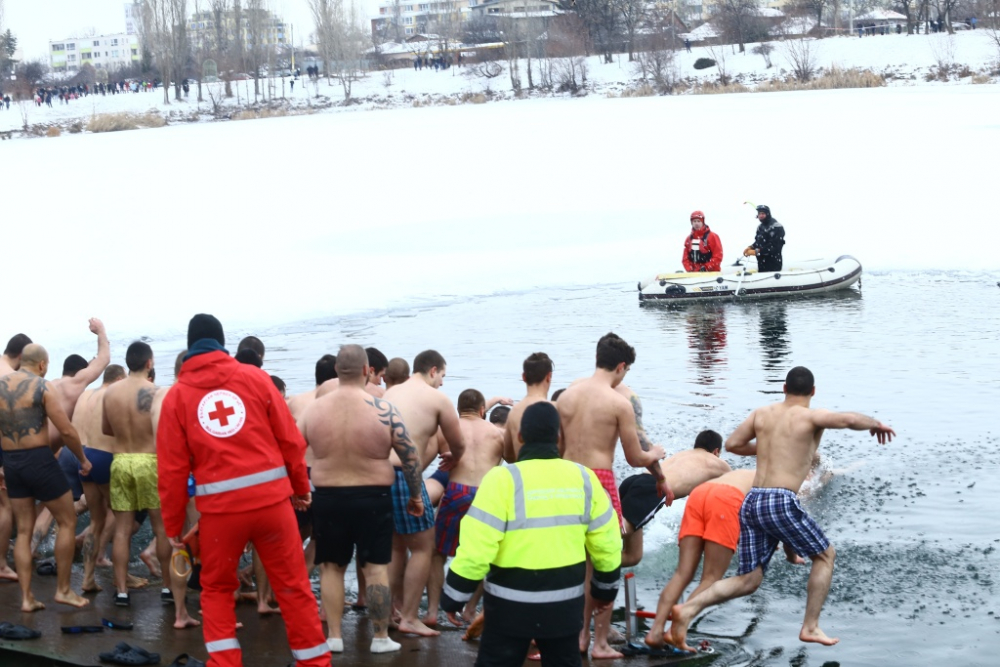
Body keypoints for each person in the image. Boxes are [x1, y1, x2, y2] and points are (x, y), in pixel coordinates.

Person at [669, 366, 895, 651]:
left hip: (752, 500)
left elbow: (733, 444)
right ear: (813, 392)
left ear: (784, 388)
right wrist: (875, 423)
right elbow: (848, 419)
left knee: (749, 579)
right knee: (826, 556)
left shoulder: (761, 414)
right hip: (779, 499)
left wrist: (769, 446)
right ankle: (810, 626)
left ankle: (687, 609)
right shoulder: (812, 415)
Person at [157, 314, 329, 667]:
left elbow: (172, 471)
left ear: (190, 349)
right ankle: (315, 662)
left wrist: (174, 527)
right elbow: (290, 439)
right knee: (294, 588)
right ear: (222, 343)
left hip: (221, 516)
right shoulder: (255, 378)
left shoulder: (177, 397)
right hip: (273, 506)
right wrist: (300, 488)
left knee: (217, 589)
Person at [441, 402, 622, 667]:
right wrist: (605, 589)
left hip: (508, 608)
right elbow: (607, 542)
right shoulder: (584, 479)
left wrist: (455, 595)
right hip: (564, 606)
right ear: (558, 437)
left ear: (520, 437)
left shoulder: (502, 480)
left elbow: (477, 547)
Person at [302, 344, 424, 654]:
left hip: (328, 498)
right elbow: (410, 457)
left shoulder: (313, 411)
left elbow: (289, 452)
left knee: (331, 567)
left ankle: (334, 636)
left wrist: (297, 490)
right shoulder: (384, 409)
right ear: (368, 371)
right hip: (373, 499)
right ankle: (380, 638)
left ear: (336, 372)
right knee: (375, 568)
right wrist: (415, 495)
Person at [557, 333, 669, 659]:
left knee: (572, 560)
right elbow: (635, 457)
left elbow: (559, 447)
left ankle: (576, 633)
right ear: (621, 367)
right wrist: (656, 454)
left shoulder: (565, 397)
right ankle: (597, 642)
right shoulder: (619, 403)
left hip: (566, 478)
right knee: (604, 563)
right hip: (599, 481)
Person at [102, 342, 193, 625]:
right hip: (150, 462)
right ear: (149, 364)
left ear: (128, 362)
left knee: (122, 531)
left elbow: (106, 429)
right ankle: (168, 587)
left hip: (121, 462)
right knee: (162, 528)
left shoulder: (111, 392)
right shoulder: (157, 393)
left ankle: (120, 592)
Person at [0, 344, 91, 611]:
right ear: (41, 364)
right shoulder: (42, 386)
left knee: (25, 530)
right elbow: (66, 430)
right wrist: (83, 460)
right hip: (39, 460)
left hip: (12, 462)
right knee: (67, 520)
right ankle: (63, 590)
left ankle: (27, 598)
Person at [383, 349, 466, 637]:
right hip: (406, 475)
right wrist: (454, 457)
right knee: (423, 546)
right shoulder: (437, 399)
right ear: (433, 370)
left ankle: (392, 612)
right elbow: (458, 443)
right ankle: (408, 617)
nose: (442, 382)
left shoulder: (390, 393)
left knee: (394, 545)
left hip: (379, 474)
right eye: (442, 375)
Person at [644, 469, 757, 648]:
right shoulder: (778, 480)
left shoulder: (748, 472)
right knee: (711, 579)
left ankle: (655, 632)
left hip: (700, 493)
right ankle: (674, 632)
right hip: (727, 499)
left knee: (682, 573)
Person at [426, 388, 505, 625]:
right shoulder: (497, 433)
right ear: (483, 410)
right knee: (487, 554)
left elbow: (425, 460)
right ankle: (470, 609)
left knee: (436, 553)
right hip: (486, 496)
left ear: (458, 410)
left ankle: (432, 611)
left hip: (456, 491)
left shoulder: (446, 431)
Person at [618, 429, 732, 567]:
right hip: (651, 488)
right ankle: (588, 540)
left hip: (634, 481)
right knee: (619, 530)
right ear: (716, 451)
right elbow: (736, 490)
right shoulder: (717, 463)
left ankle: (591, 561)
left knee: (633, 556)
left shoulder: (685, 455)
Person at [72, 364, 127, 593]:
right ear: (118, 379)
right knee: (122, 519)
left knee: (96, 521)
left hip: (81, 457)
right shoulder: (113, 394)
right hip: (103, 457)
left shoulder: (84, 395)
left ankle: (88, 578)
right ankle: (122, 578)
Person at [502, 352, 553, 463]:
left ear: (524, 377)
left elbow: (507, 455)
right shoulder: (555, 410)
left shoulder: (514, 412)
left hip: (522, 475)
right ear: (549, 376)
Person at [744, 205, 785, 272]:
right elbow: (759, 242)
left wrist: (756, 252)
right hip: (762, 263)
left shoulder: (776, 226)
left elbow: (774, 246)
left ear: (768, 214)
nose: (761, 215)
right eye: (759, 213)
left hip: (773, 262)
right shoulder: (760, 227)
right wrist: (751, 247)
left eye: (763, 213)